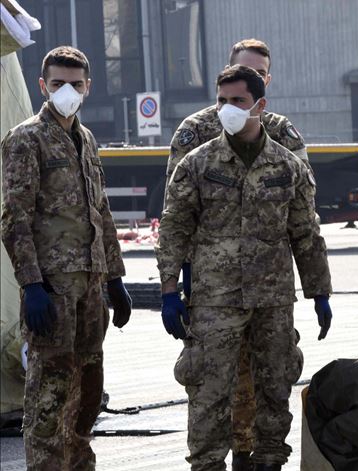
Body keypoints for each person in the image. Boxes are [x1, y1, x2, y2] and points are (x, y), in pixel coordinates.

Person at [155, 65, 332, 471]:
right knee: (209, 390)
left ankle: (270, 461)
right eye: (222, 101)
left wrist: (319, 292)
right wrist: (169, 290)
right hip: (215, 299)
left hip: (272, 298)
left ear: (260, 105)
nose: (228, 109)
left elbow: (306, 232)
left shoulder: (288, 167)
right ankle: (207, 465)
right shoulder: (197, 164)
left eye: (238, 101)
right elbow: (174, 227)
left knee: (276, 386)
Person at [0, 45, 132, 470]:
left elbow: (101, 212)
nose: (67, 91)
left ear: (88, 87)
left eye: (75, 84)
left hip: (90, 288)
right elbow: (13, 218)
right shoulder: (26, 138)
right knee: (49, 399)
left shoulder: (86, 138)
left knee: (88, 393)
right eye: (58, 84)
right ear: (43, 86)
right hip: (52, 289)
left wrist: (115, 278)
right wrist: (31, 285)